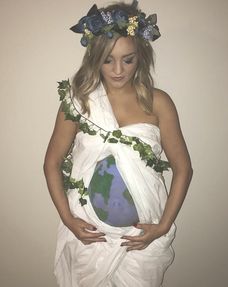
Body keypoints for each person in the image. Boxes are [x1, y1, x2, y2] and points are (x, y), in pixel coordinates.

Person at [44, 1, 193, 286]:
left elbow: (183, 168)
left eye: (128, 59)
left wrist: (162, 227)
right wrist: (67, 219)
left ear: (141, 57)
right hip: (90, 237)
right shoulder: (78, 101)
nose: (117, 70)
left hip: (141, 241)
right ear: (95, 58)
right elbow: (51, 163)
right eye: (108, 59)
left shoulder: (158, 102)